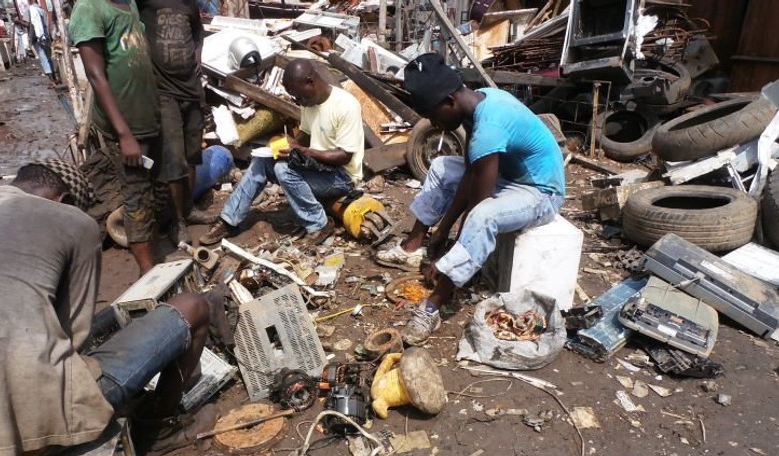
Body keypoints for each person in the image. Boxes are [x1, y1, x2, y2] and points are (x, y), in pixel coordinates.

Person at [0, 160, 210, 456]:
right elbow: (73, 334)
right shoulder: (74, 222)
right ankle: (157, 430)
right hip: (41, 433)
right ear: (64, 201)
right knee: (193, 306)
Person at [375, 53, 565, 345]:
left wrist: (450, 257)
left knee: (483, 216)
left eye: (434, 116)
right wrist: (441, 231)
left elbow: (479, 204)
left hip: (540, 193)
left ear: (449, 101)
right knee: (440, 167)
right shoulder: (477, 101)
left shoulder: (489, 127)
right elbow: (469, 175)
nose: (435, 124)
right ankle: (414, 245)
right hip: (510, 178)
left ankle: (433, 306)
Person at [199, 59, 364, 246]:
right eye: (294, 98)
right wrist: (288, 144)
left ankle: (319, 224)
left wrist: (303, 151)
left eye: (299, 96)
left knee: (283, 170)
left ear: (311, 82)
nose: (298, 101)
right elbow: (307, 135)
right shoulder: (309, 103)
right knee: (262, 162)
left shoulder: (345, 105)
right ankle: (229, 221)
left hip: (341, 177)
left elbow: (344, 156)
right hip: (316, 167)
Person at [70, 0, 161, 276]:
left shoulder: (129, 4)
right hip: (125, 127)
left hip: (147, 118)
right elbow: (96, 76)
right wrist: (124, 135)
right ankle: (147, 271)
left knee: (149, 191)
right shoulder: (89, 8)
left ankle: (153, 254)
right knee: (135, 195)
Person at [137, 0, 212, 246]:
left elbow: (198, 33)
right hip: (163, 91)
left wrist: (197, 56)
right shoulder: (144, 3)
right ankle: (178, 221)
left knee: (192, 154)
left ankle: (189, 209)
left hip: (191, 88)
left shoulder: (188, 3)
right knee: (173, 159)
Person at [28, 0, 57, 83]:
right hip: (46, 36)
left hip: (39, 38)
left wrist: (31, 38)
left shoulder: (32, 10)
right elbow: (47, 24)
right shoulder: (42, 10)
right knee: (49, 58)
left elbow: (32, 25)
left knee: (43, 58)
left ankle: (51, 80)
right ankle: (54, 77)